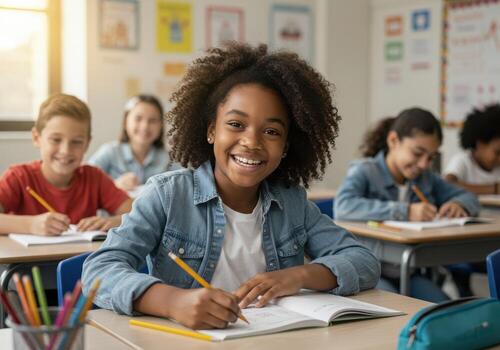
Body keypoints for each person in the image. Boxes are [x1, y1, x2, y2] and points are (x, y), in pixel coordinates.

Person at [82, 43, 380, 330]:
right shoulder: (168, 195)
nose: (252, 142)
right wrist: (172, 301)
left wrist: (300, 275)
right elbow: (99, 271)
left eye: (271, 131)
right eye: (236, 124)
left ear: (287, 146)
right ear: (211, 130)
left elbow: (363, 260)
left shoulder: (292, 202)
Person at [334, 107, 480, 302]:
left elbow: (469, 197)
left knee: (443, 307)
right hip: (372, 270)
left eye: (431, 157)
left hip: (409, 271)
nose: (423, 164)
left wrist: (458, 203)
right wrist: (406, 211)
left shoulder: (425, 178)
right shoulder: (366, 171)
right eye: (417, 153)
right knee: (394, 309)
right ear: (393, 141)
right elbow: (343, 205)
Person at [0, 94, 133, 235]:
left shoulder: (94, 178)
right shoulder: (18, 177)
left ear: (87, 144)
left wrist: (116, 221)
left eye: (76, 142)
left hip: (81, 256)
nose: (65, 151)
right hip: (28, 257)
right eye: (56, 140)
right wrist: (30, 225)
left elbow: (141, 214)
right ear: (36, 138)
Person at [88, 94, 179, 191]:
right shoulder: (110, 152)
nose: (145, 126)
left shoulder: (169, 158)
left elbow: (184, 185)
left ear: (161, 125)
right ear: (125, 122)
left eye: (152, 120)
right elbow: (85, 182)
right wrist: (114, 185)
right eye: (138, 119)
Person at [444, 103, 500, 195]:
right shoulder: (462, 161)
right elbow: (447, 185)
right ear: (479, 144)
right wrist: (494, 189)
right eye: (497, 152)